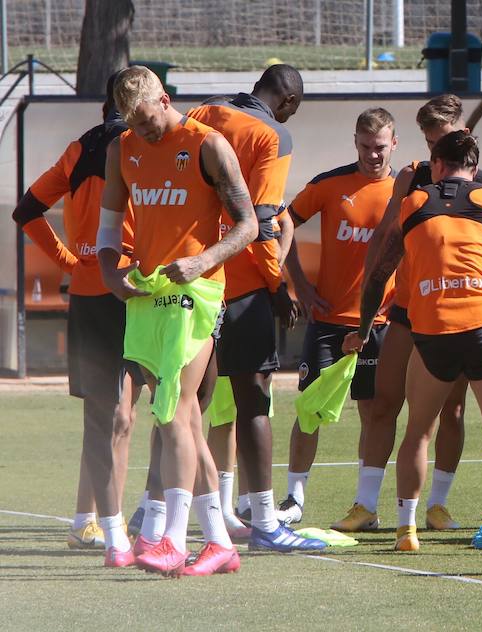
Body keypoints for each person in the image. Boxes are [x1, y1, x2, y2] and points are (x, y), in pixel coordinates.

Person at [345, 130, 482, 553]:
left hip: (432, 329)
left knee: (417, 432)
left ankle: (406, 530)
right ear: (474, 167)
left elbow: (379, 274)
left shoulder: (413, 203)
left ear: (434, 165)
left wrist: (363, 331)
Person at [98, 65, 255, 576]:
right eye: (132, 124)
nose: (141, 132)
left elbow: (249, 224)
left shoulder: (207, 145)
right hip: (147, 292)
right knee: (182, 418)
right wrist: (110, 271)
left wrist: (203, 260)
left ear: (163, 99)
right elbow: (108, 229)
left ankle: (171, 538)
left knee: (176, 409)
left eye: (146, 121)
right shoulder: (123, 148)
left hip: (196, 291)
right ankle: (218, 542)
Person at [328, 95, 482, 533]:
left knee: (452, 410)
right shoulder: (411, 177)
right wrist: (368, 306)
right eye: (427, 140)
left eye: (440, 140)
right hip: (406, 311)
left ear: (462, 136)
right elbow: (383, 241)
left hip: (457, 316)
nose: (433, 151)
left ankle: (437, 506)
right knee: (384, 403)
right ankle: (366, 504)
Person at [185, 65, 322, 553]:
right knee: (254, 399)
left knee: (185, 404)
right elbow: (262, 222)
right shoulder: (274, 135)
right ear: (286, 103)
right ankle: (265, 522)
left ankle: (156, 511)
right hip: (241, 284)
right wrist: (276, 284)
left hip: (195, 279)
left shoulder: (203, 111)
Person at [11, 74, 145, 563]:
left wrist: (70, 259)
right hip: (130, 291)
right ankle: (104, 522)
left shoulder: (78, 148)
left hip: (92, 294)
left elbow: (26, 210)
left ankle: (92, 519)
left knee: (112, 415)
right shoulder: (138, 145)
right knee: (122, 417)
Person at [280, 107, 399, 529]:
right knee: (309, 409)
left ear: (394, 145)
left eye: (380, 147)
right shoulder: (330, 184)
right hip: (328, 320)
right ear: (355, 142)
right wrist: (299, 283)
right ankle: (293, 499)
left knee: (374, 410)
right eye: (366, 147)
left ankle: (365, 505)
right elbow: (284, 222)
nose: (372, 155)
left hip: (380, 325)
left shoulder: (405, 192)